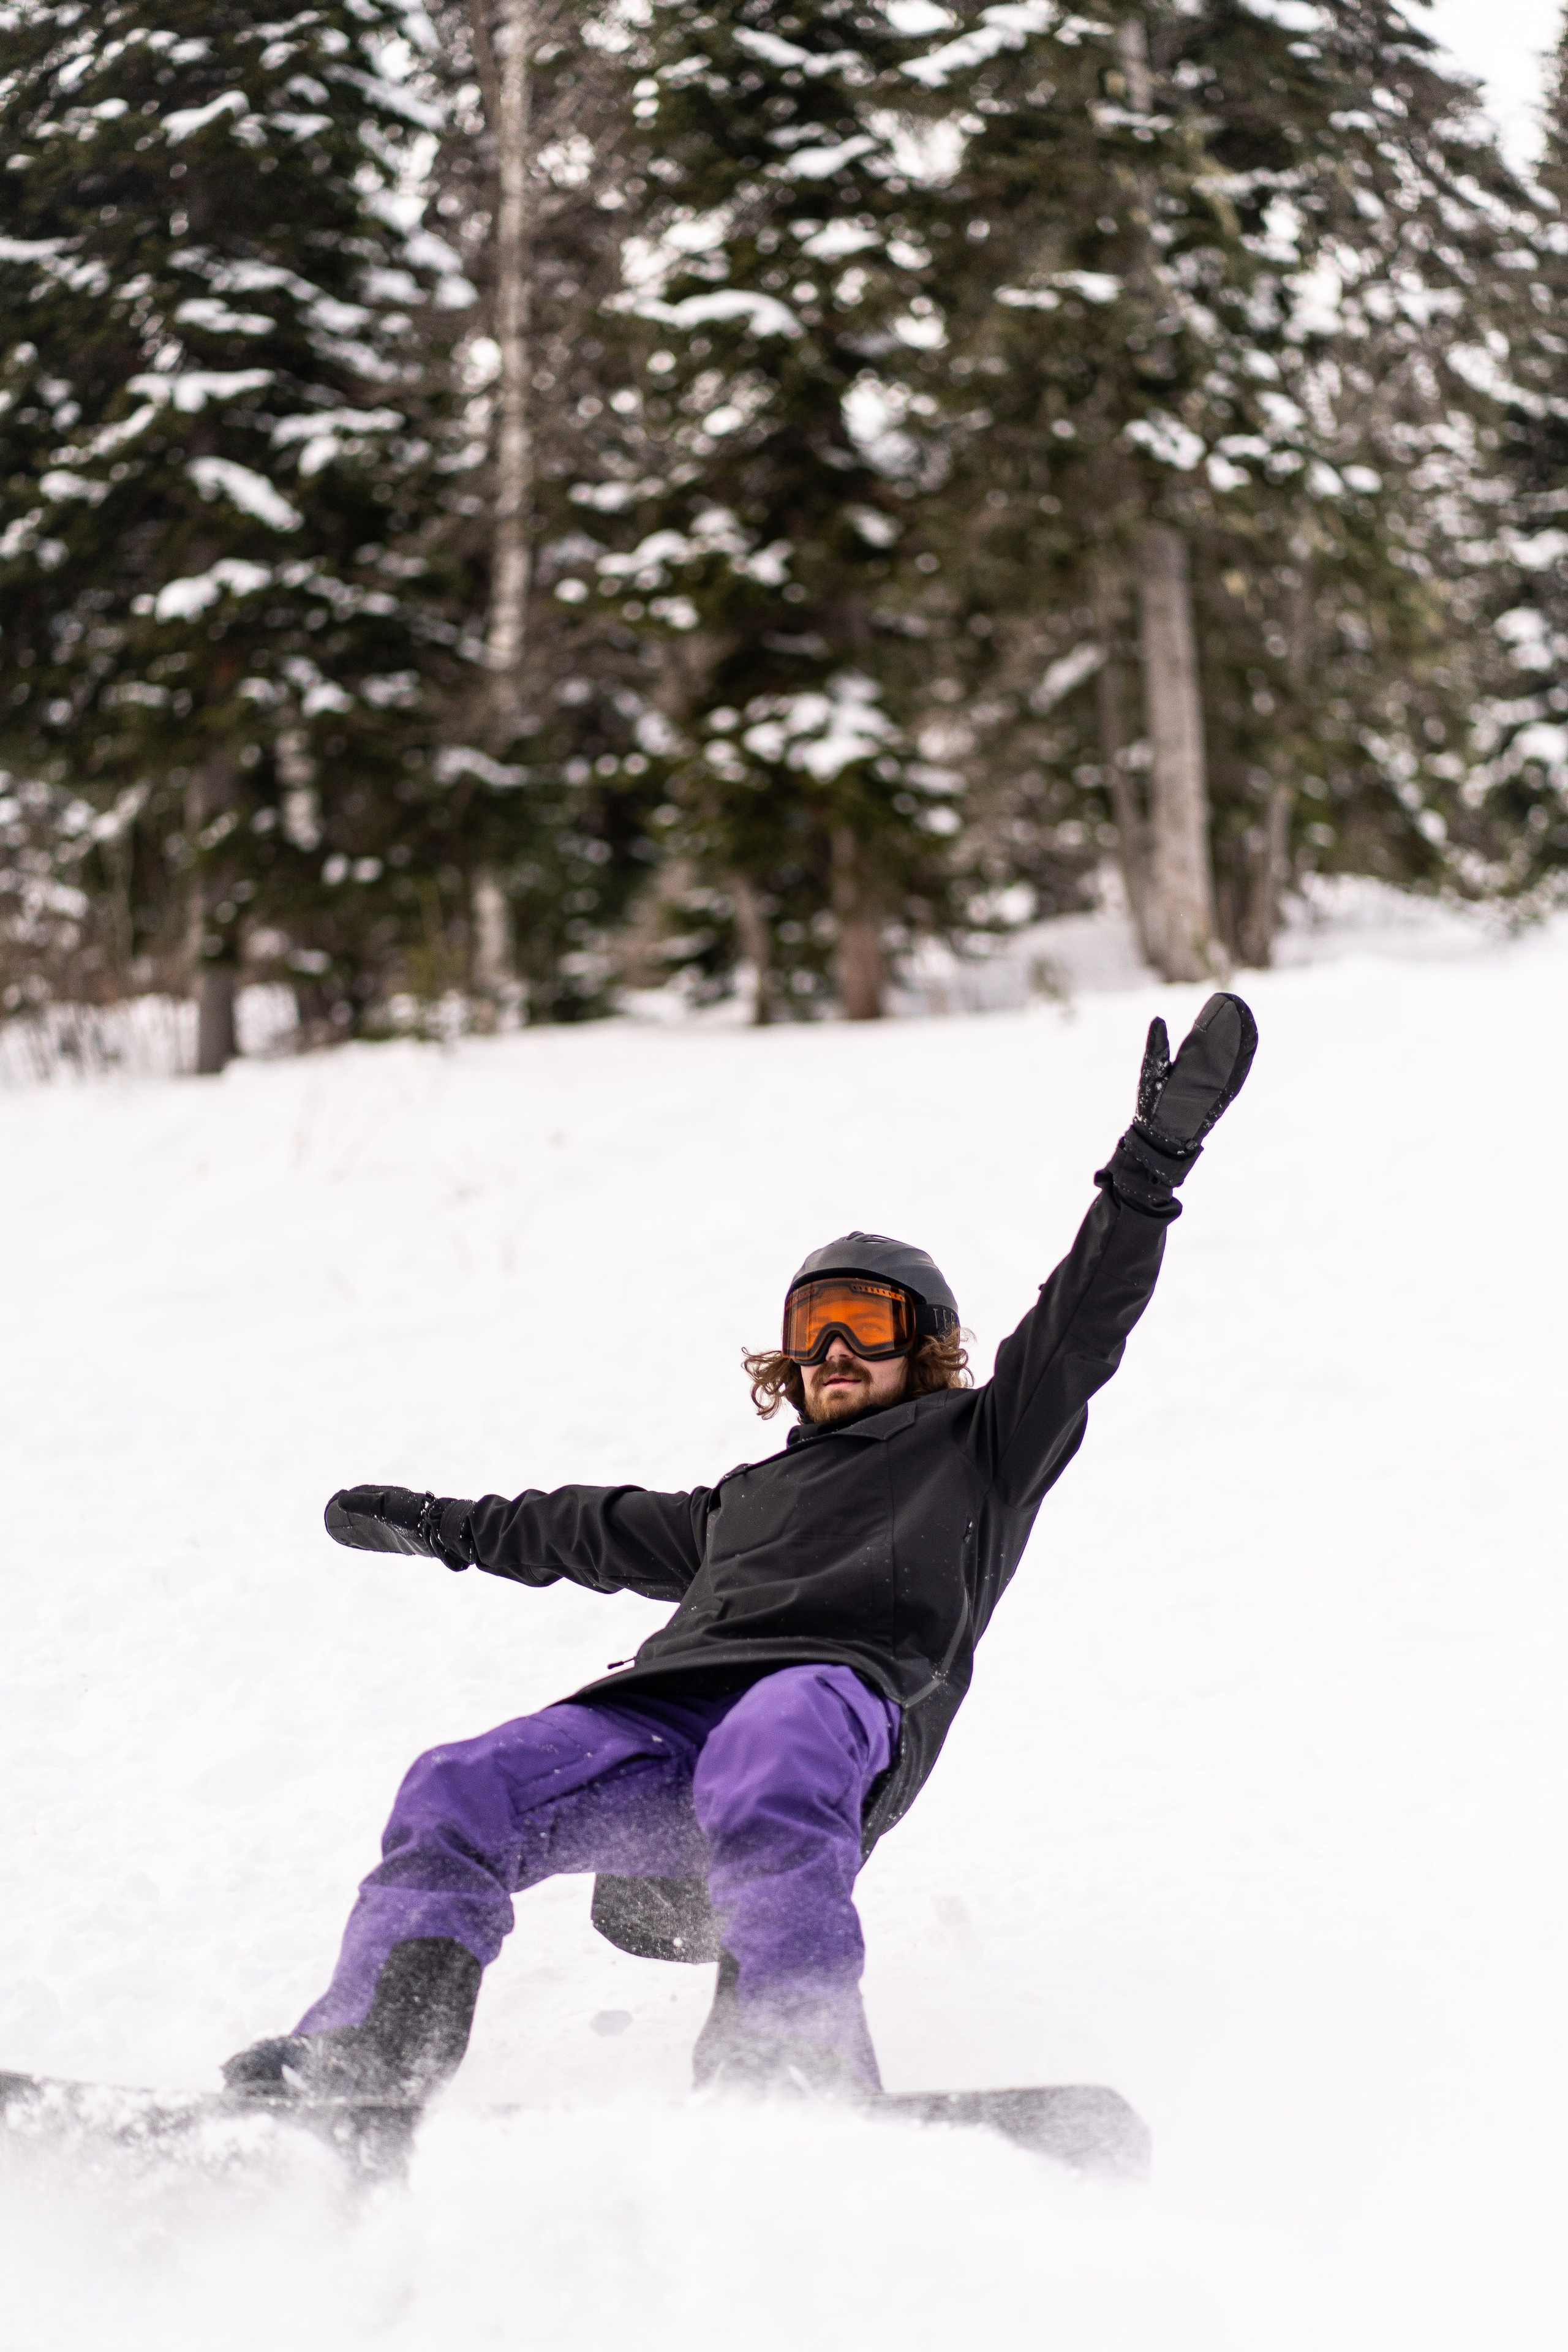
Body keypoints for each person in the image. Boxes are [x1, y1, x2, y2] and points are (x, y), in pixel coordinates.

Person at [224, 993, 1257, 2106]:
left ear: (930, 1346)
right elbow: (581, 1525)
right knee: (459, 1783)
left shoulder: (986, 1446)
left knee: (775, 1730)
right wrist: (442, 1527)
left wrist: (1149, 1165)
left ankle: (789, 2078)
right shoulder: (744, 1505)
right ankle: (372, 2062)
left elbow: (1082, 1322)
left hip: (834, 1720)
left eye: (866, 1321)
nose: (833, 1351)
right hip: (665, 1731)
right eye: (812, 1329)